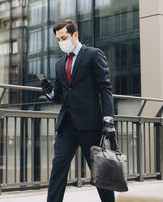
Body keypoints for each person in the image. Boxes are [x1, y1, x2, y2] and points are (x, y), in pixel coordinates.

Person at [40, 19, 116, 202]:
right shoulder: (60, 64)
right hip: (66, 126)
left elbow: (105, 88)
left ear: (75, 35)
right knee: (58, 170)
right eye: (58, 39)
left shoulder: (93, 55)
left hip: (90, 125)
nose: (61, 42)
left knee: (100, 173)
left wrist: (108, 120)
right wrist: (49, 91)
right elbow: (60, 96)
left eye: (64, 37)